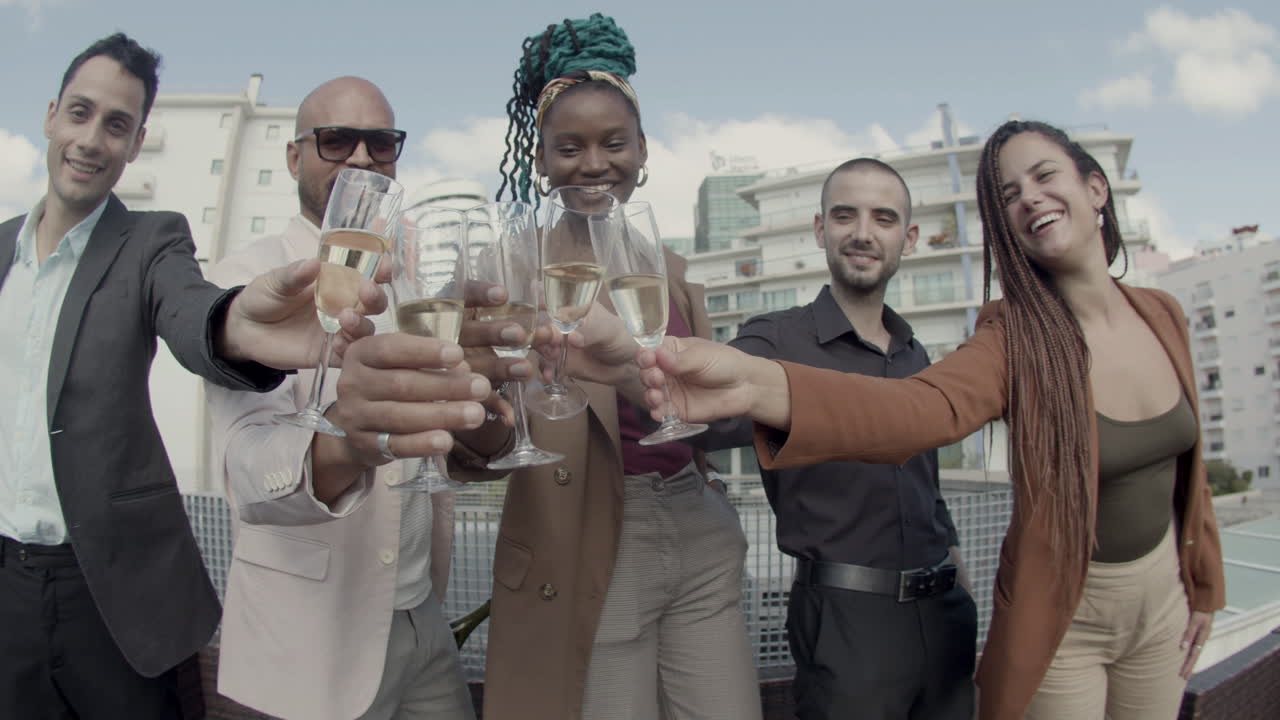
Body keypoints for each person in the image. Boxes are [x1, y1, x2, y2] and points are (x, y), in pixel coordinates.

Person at [635, 120, 1225, 720]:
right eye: (1009, 195)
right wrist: (737, 384)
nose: (1029, 199)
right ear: (819, 229)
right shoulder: (1007, 338)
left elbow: (1189, 477)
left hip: (978, 609)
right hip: (878, 616)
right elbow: (916, 414)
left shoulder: (1157, 314)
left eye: (1044, 176)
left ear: (1097, 188)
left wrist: (1205, 585)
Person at [0, 34, 385, 719]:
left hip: (116, 601)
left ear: (137, 141)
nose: (92, 139)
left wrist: (237, 327)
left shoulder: (154, 240)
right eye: (81, 114)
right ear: (52, 113)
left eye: (116, 125)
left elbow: (191, 311)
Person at [454, 14, 762, 720]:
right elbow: (468, 428)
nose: (594, 164)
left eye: (613, 142)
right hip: (591, 535)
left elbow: (706, 400)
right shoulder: (505, 267)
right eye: (569, 147)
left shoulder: (672, 269)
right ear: (539, 161)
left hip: (698, 525)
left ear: (643, 150)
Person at [207, 76, 505, 720]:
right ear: (295, 157)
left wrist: (490, 408)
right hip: (308, 638)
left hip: (424, 616)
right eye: (337, 140)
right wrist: (347, 440)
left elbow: (442, 451)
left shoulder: (407, 285)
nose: (362, 158)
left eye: (382, 143)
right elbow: (247, 474)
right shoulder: (240, 280)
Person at [689, 158, 976, 719]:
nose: (863, 233)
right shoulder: (774, 340)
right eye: (845, 215)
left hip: (945, 616)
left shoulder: (917, 355)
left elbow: (929, 488)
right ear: (821, 229)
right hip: (847, 622)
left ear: (908, 238)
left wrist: (959, 588)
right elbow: (704, 416)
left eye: (884, 218)